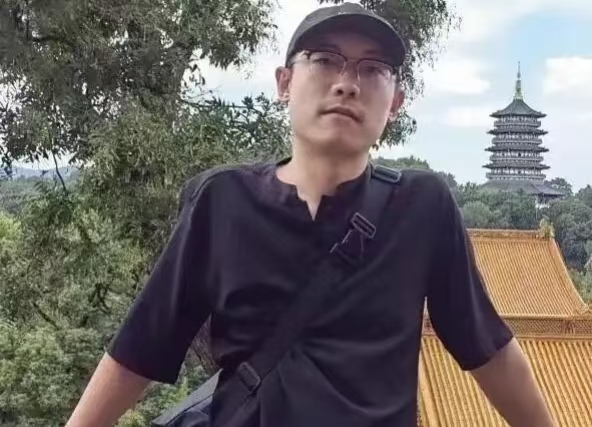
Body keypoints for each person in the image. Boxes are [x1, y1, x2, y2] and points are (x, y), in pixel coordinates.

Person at [66, 3, 556, 427]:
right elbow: (139, 351)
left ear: (395, 103)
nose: (347, 84)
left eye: (372, 69)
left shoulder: (422, 207)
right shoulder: (222, 201)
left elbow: (488, 350)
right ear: (285, 82)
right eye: (324, 60)